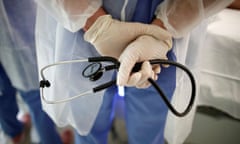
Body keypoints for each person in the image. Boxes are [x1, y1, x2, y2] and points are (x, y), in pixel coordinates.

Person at [34, 0, 233, 144]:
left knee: (148, 128)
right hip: (82, 31)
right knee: (88, 122)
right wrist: (95, 24)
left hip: (163, 36)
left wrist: (165, 28)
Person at [0, 0, 70, 143]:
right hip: (12, 30)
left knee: (3, 90)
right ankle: (49, 140)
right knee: (35, 94)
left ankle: (14, 132)